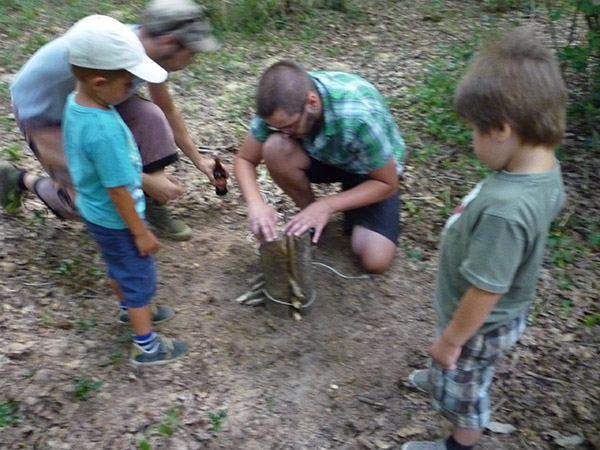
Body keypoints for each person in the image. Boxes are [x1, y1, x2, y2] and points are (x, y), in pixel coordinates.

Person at [401, 27, 566, 450]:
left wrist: (451, 340)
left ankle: (460, 438)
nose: (473, 141)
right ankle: (446, 371)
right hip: (498, 316)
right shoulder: (544, 170)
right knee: (459, 367)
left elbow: (486, 289)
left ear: (502, 131)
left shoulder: (505, 210)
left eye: (474, 130)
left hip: (478, 324)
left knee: (467, 388)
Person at [2, 0, 220, 241]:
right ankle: (19, 180)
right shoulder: (112, 53)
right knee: (87, 202)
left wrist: (200, 160)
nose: (194, 59)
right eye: (192, 51)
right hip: (44, 114)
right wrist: (144, 181)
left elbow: (166, 110)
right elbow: (93, 158)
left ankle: (148, 204)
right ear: (168, 42)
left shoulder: (145, 55)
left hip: (98, 98)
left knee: (151, 117)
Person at [61, 14, 188, 365]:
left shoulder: (77, 105)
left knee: (119, 268)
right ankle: (146, 345)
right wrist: (141, 232)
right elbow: (118, 189)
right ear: (100, 82)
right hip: (118, 219)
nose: (134, 87)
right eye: (129, 82)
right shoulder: (105, 131)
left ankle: (127, 309)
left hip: (95, 212)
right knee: (139, 277)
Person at [234, 60, 405, 274]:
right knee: (275, 147)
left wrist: (328, 205)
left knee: (375, 259)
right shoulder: (279, 107)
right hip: (324, 156)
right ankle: (310, 217)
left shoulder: (359, 115)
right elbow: (245, 160)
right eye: (278, 127)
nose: (285, 133)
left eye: (290, 127)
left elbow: (387, 183)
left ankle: (322, 211)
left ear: (312, 102)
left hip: (369, 172)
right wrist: (256, 205)